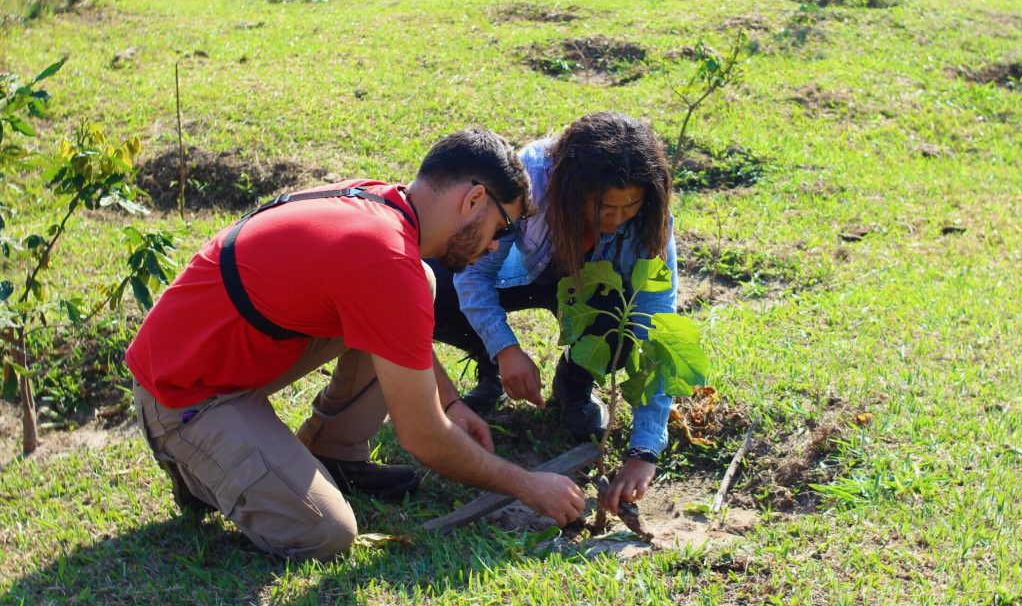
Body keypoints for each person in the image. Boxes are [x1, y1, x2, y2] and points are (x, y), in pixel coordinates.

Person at [126, 129, 585, 561]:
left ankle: (333, 452)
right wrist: (526, 485)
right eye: (502, 229)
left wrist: (448, 402)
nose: (494, 248)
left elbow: (388, 322)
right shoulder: (384, 259)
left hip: (212, 357)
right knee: (326, 532)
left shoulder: (384, 205)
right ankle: (196, 466)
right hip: (182, 394)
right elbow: (422, 437)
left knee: (421, 283)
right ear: (474, 199)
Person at [431, 112, 677, 517]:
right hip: (520, 275)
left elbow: (657, 324)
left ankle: (574, 384)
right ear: (572, 188)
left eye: (628, 208)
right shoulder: (532, 179)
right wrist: (505, 349)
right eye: (603, 209)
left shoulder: (650, 218)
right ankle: (490, 370)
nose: (615, 221)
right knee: (440, 288)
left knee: (623, 325)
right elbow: (474, 274)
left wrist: (645, 448)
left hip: (588, 289)